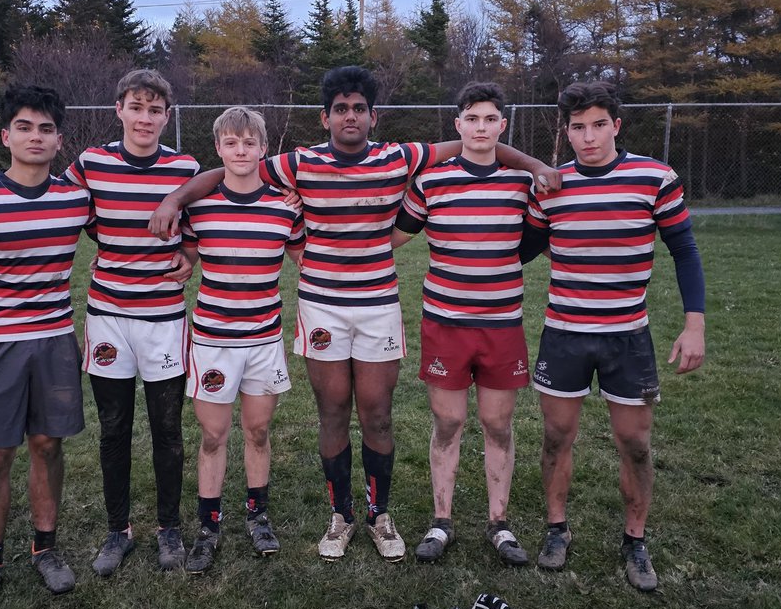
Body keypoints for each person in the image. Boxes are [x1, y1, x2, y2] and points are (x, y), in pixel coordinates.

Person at [151, 66, 560, 562]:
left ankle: (379, 516)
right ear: (325, 117)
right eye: (340, 109)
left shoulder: (399, 157)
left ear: (373, 116)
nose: (350, 116)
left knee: (378, 415)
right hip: (321, 306)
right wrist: (175, 198)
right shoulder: (299, 162)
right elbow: (230, 172)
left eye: (359, 109)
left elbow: (475, 146)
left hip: (378, 307)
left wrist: (533, 162)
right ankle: (340, 516)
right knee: (332, 413)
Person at [0, 69, 199, 573]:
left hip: (164, 317)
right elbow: (41, 192)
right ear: (118, 109)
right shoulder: (89, 166)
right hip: (108, 317)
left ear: (167, 117)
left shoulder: (185, 167)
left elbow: (204, 208)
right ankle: (117, 530)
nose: (144, 118)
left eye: (155, 110)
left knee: (168, 429)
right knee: (113, 428)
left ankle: (168, 529)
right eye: (136, 107)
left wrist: (188, 250)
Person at [520, 80, 706, 591]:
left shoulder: (654, 177)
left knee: (635, 443)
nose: (589, 137)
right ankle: (557, 529)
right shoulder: (552, 185)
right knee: (557, 437)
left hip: (628, 337)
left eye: (599, 125)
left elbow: (684, 250)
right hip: (564, 335)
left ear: (616, 126)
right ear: (566, 131)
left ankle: (635, 540)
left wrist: (694, 325)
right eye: (578, 127)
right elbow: (522, 249)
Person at [0, 85, 93, 609]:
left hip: (53, 342)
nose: (36, 137)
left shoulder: (76, 199)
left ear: (59, 140)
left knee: (48, 446)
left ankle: (45, 549)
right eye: (24, 127)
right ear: (6, 136)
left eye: (46, 129)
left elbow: (129, 226)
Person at [392, 82, 534, 566]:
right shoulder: (431, 181)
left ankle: (499, 523)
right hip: (445, 324)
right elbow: (394, 237)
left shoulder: (521, 182)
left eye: (490, 119)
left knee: (497, 423)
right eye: (471, 118)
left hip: (501, 324)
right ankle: (441, 521)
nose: (480, 127)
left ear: (502, 125)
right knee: (448, 421)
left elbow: (536, 239)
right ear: (458, 125)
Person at [179, 107, 305, 574]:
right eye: (231, 143)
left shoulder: (285, 208)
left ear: (263, 148)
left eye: (249, 142)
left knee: (257, 431)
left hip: (263, 340)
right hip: (213, 341)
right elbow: (181, 260)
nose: (240, 150)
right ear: (218, 148)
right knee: (213, 436)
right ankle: (208, 526)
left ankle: (258, 516)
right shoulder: (200, 207)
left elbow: (308, 259)